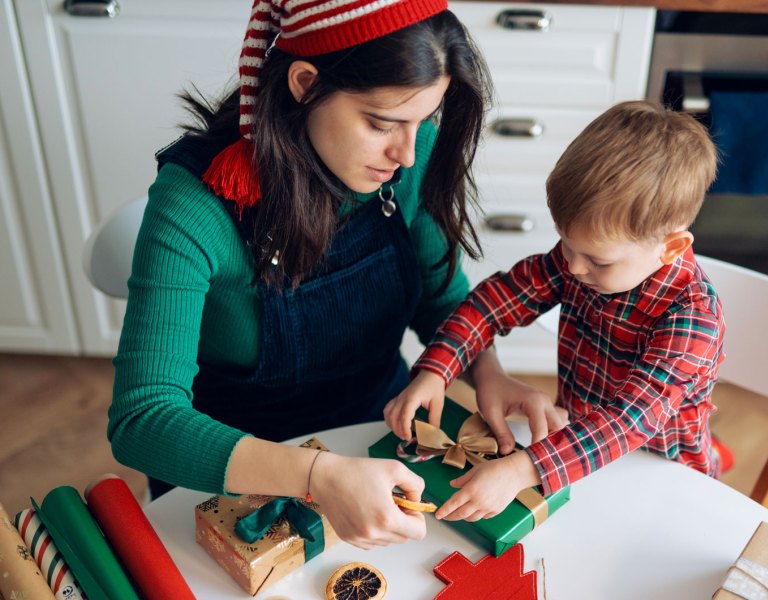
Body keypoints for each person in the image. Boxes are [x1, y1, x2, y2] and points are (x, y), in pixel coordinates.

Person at [110, 0, 500, 549]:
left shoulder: (409, 159)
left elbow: (442, 303)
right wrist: (316, 474)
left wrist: (489, 373)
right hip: (232, 467)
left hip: (378, 429)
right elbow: (143, 420)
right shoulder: (193, 206)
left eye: (423, 120)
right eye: (381, 123)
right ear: (305, 83)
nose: (408, 154)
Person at [384, 100, 724, 523]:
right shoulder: (580, 260)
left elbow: (626, 422)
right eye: (566, 244)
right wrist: (439, 368)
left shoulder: (693, 321)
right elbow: (492, 304)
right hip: (573, 448)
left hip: (662, 475)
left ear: (670, 248)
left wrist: (521, 469)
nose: (574, 267)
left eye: (597, 261)